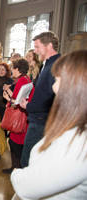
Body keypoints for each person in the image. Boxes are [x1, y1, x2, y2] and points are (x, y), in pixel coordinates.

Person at [11, 50, 87, 200]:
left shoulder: (80, 141)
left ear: (74, 82)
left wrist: (17, 173)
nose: (53, 86)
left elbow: (25, 186)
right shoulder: (73, 121)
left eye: (58, 78)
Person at [19, 31, 61, 168]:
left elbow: (53, 98)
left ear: (49, 46)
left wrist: (29, 107)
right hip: (38, 117)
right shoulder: (47, 64)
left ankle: (25, 188)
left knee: (27, 159)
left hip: (41, 120)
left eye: (37, 47)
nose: (35, 51)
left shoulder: (56, 65)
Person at [1, 58, 35, 174]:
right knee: (13, 142)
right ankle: (15, 167)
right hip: (24, 115)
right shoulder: (25, 79)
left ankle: (20, 168)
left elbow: (16, 102)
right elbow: (17, 96)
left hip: (20, 117)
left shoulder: (21, 81)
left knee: (15, 144)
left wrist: (7, 98)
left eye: (13, 68)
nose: (11, 70)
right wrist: (9, 93)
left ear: (17, 69)